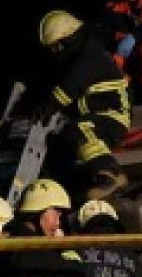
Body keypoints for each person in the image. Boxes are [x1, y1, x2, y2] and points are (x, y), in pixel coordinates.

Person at [33, 10, 133, 202]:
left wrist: (48, 107)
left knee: (78, 130)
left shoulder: (90, 55)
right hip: (97, 117)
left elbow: (71, 85)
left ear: (68, 39)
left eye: (57, 46)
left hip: (112, 118)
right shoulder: (78, 56)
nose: (55, 52)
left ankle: (110, 173)